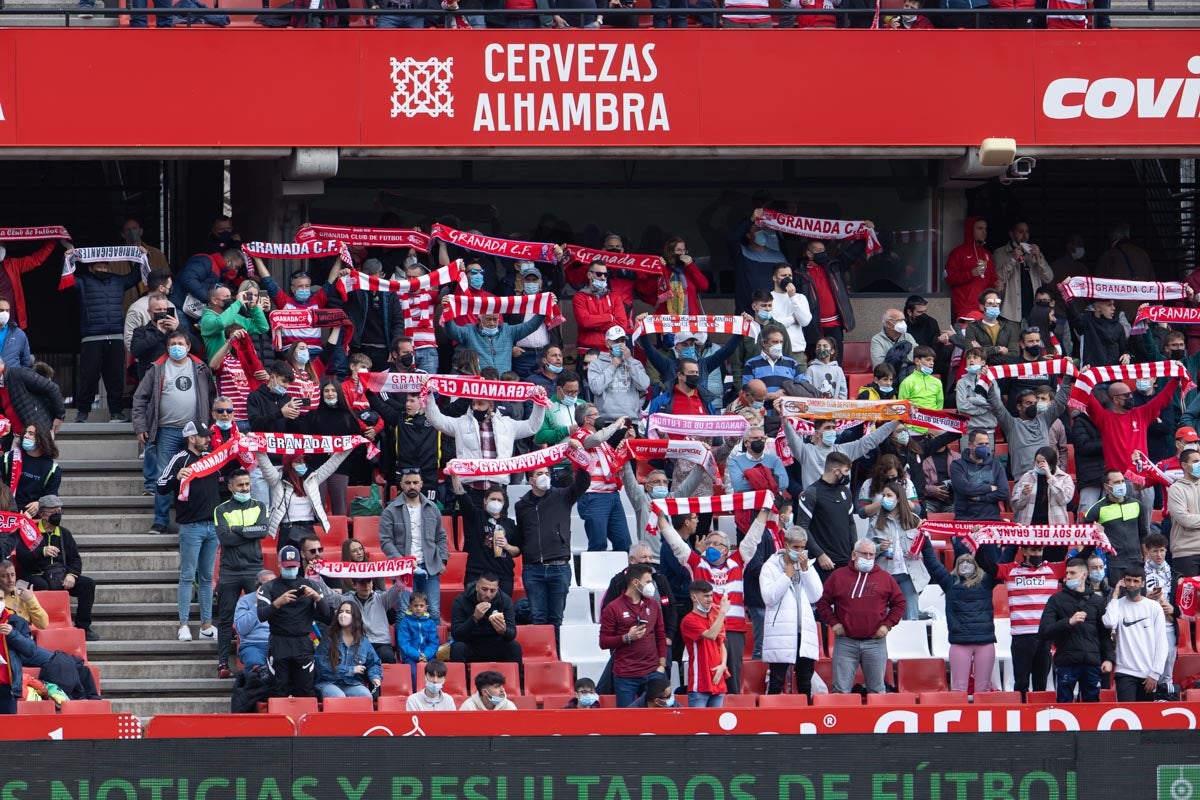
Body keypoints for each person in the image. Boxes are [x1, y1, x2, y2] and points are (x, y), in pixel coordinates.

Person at [656, 506, 770, 695]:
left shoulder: (738, 561)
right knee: (707, 676)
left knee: (732, 677)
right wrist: (660, 516)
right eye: (709, 543)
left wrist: (764, 510)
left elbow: (753, 536)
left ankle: (733, 716)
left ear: (726, 549)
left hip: (733, 628)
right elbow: (675, 542)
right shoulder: (696, 563)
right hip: (706, 629)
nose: (711, 547)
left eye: (717, 544)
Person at [135, 330, 215, 535]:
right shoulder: (157, 368)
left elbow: (212, 396)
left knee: (197, 474)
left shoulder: (201, 368)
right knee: (164, 475)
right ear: (167, 347)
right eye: (172, 344)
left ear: (188, 347)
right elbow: (140, 398)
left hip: (196, 432)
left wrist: (210, 426)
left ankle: (192, 520)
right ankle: (160, 521)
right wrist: (141, 426)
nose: (176, 347)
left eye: (180, 343)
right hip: (167, 430)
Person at [424, 386, 547, 503]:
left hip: (499, 489)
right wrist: (428, 395)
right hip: (470, 490)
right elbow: (437, 420)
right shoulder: (461, 424)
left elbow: (532, 426)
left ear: (491, 406)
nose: (476, 407)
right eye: (473, 404)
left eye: (480, 403)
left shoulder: (508, 425)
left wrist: (539, 403)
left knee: (499, 526)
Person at [158, 421, 222, 642]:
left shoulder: (212, 456)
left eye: (208, 436)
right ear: (191, 438)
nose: (208, 439)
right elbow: (160, 484)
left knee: (206, 578)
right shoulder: (179, 458)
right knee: (187, 576)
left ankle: (206, 625)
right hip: (191, 527)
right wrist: (176, 478)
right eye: (203, 436)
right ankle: (183, 624)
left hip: (212, 526)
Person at [817, 538, 905, 694]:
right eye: (864, 554)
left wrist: (887, 625)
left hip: (875, 642)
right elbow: (822, 602)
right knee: (840, 691)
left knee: (877, 690)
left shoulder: (885, 578)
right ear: (854, 555)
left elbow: (900, 603)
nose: (869, 558)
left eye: (871, 554)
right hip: (846, 642)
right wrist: (833, 623)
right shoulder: (838, 576)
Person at [513, 457, 590, 632]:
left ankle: (555, 655)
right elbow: (522, 534)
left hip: (559, 567)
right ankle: (543, 657)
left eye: (547, 473)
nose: (545, 476)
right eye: (540, 473)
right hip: (533, 569)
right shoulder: (521, 506)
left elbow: (583, 482)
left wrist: (577, 456)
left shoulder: (562, 495)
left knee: (556, 620)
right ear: (531, 480)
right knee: (538, 619)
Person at [65, 253, 144, 423]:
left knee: (115, 377)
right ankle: (82, 413)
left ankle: (116, 413)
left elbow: (135, 277)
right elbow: (67, 279)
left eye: (105, 266)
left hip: (115, 336)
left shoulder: (117, 281)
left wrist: (141, 257)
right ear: (90, 268)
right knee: (89, 377)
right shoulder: (83, 282)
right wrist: (68, 260)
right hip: (91, 337)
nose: (103, 269)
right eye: (99, 266)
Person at [921, 538, 997, 693]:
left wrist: (981, 542)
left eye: (969, 562)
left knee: (983, 690)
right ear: (956, 566)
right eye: (962, 562)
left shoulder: (987, 582)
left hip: (985, 643)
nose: (966, 565)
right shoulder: (949, 582)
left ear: (976, 566)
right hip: (960, 643)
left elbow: (1000, 564)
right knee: (958, 690)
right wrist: (924, 541)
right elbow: (932, 564)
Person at [14, 498, 97, 640]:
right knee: (42, 585)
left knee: (88, 585)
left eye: (59, 511)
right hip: (34, 575)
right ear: (42, 514)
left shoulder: (64, 534)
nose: (58, 514)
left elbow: (75, 559)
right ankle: (36, 625)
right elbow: (21, 556)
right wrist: (41, 552)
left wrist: (71, 575)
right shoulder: (30, 531)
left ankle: (83, 627)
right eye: (54, 511)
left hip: (59, 575)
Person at [256, 544, 333, 698]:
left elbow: (328, 615)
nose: (290, 569)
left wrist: (317, 598)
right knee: (278, 688)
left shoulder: (311, 585)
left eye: (293, 566)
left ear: (299, 565)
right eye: (287, 566)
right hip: (279, 642)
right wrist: (278, 602)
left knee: (305, 688)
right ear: (279, 565)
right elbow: (261, 615)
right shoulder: (269, 587)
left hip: (303, 642)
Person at [214, 468, 268, 679]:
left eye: (247, 484)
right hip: (230, 571)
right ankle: (222, 664)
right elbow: (225, 540)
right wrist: (249, 533)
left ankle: (260, 660)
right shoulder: (221, 509)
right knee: (226, 618)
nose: (245, 488)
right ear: (230, 487)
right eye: (240, 485)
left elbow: (263, 531)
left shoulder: (260, 505)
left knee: (262, 613)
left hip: (255, 569)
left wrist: (236, 529)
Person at [1038, 557, 1115, 703]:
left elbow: (1104, 634)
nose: (1067, 577)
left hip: (1092, 662)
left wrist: (1108, 659)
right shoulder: (1056, 600)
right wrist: (1068, 622)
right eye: (1067, 573)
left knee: (1092, 706)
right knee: (1064, 705)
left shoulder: (1097, 601)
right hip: (1066, 662)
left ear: (1084, 575)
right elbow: (1044, 632)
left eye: (1072, 573)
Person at [759, 526, 823, 696]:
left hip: (804, 632)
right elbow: (769, 597)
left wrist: (806, 571)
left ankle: (806, 717)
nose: (800, 551)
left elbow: (815, 595)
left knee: (805, 681)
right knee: (776, 681)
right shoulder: (770, 567)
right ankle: (772, 718)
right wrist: (786, 576)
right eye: (796, 547)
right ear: (786, 545)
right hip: (781, 631)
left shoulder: (807, 565)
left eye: (803, 547)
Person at [380, 469, 449, 618]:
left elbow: (441, 536)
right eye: (408, 483)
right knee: (404, 613)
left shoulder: (432, 508)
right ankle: (402, 643)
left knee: (434, 612)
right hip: (403, 569)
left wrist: (443, 560)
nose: (412, 486)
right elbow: (385, 541)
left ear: (421, 484)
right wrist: (402, 561)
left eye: (415, 483)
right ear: (401, 485)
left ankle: (432, 642)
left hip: (429, 567)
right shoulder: (390, 511)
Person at [599, 563, 668, 707]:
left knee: (657, 719)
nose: (652, 585)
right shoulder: (613, 608)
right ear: (635, 582)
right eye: (648, 582)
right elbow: (604, 642)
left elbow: (661, 635)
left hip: (652, 672)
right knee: (627, 722)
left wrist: (662, 665)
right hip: (626, 675)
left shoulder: (653, 605)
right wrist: (627, 637)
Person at [256, 448, 351, 548]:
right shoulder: (277, 480)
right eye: (298, 462)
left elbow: (332, 463)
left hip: (309, 529)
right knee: (290, 562)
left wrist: (350, 446)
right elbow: (264, 463)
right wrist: (255, 446)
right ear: (289, 464)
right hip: (287, 530)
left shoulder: (313, 479)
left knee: (312, 562)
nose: (302, 464)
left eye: (303, 461)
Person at [1102, 564, 1168, 702]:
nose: (1131, 584)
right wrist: (1114, 596)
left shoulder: (1154, 607)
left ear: (1143, 583)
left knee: (1146, 720)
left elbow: (1162, 642)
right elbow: (1109, 622)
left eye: (1136, 581)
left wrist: (1155, 673)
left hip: (1148, 673)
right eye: (1128, 580)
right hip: (1124, 671)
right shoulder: (1117, 604)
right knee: (1127, 717)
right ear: (1123, 581)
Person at [572, 406, 633, 553]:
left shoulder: (604, 443)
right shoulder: (579, 435)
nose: (600, 417)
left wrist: (626, 442)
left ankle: (622, 575)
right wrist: (616, 425)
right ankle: (596, 575)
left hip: (613, 495)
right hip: (594, 496)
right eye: (596, 414)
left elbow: (614, 463)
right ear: (586, 419)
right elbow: (594, 440)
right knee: (598, 544)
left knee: (624, 544)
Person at [451, 476, 518, 598]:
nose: (496, 502)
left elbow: (516, 551)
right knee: (473, 611)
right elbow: (461, 495)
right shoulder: (476, 516)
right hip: (477, 573)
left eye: (499, 500)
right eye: (493, 499)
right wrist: (454, 476)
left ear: (504, 503)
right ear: (485, 501)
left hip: (503, 575)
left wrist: (507, 546)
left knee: (500, 614)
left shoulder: (510, 524)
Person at [796, 452, 857, 582]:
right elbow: (802, 527)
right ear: (836, 471)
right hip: (824, 562)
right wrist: (820, 554)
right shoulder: (812, 493)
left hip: (846, 560)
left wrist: (855, 549)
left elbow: (851, 523)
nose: (848, 475)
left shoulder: (845, 491)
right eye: (846, 471)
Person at [870, 483, 927, 621]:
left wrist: (924, 532)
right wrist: (879, 548)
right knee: (884, 617)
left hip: (909, 575)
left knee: (911, 617)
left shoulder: (914, 520)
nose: (885, 499)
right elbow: (867, 548)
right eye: (883, 495)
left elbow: (926, 546)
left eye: (889, 495)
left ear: (899, 498)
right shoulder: (876, 522)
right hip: (885, 575)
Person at [1082, 470, 1145, 585]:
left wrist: (1145, 559)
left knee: (1138, 600)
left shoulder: (1136, 504)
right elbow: (1083, 536)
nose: (1121, 484)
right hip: (1114, 564)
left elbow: (1144, 533)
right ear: (1106, 486)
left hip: (1136, 562)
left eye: (1122, 481)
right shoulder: (1097, 508)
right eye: (1116, 482)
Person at [442, 308, 547, 375]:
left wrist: (545, 309)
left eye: (495, 319)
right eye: (488, 319)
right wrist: (447, 311)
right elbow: (452, 331)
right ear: (479, 320)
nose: (492, 323)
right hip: (479, 384)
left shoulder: (508, 331)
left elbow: (530, 326)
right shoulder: (469, 332)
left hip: (502, 385)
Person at [1011, 447, 1076, 554]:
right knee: (1033, 563)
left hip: (1055, 531)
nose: (1039, 465)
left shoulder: (1064, 478)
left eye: (1043, 462)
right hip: (1032, 528)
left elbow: (1064, 499)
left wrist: (1050, 477)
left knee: (1054, 564)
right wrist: (1024, 494)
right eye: (1037, 462)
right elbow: (1016, 505)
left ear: (1051, 462)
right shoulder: (1027, 477)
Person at [678, 579, 730, 706]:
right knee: (698, 725)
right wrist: (722, 613)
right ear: (694, 597)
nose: (710, 599)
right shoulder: (689, 620)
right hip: (700, 682)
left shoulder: (714, 616)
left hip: (718, 679)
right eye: (706, 596)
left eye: (711, 595)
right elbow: (711, 635)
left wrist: (723, 665)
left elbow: (721, 644)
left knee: (716, 724)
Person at [315, 600, 382, 699]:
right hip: (328, 683)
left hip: (352, 683)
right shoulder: (328, 639)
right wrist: (351, 670)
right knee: (338, 696)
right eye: (341, 612)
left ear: (355, 617)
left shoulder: (363, 642)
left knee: (366, 696)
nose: (343, 615)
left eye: (347, 612)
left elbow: (374, 663)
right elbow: (322, 667)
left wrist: (375, 676)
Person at [449, 574, 522, 664]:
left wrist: (503, 631)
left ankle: (517, 677)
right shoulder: (461, 601)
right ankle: (459, 678)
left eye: (492, 591)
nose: (488, 594)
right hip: (471, 644)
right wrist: (474, 618)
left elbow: (512, 634)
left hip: (495, 643)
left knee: (514, 647)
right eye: (484, 589)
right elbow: (456, 635)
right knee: (457, 648)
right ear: (477, 587)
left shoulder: (505, 601)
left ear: (497, 589)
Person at [588, 328, 651, 425]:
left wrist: (629, 360)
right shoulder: (596, 364)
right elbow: (596, 388)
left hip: (630, 420)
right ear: (608, 344)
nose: (621, 344)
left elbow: (644, 385)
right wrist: (612, 366)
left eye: (623, 341)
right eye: (616, 341)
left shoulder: (634, 363)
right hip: (606, 421)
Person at [1095, 223, 1154, 321]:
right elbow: (1152, 284)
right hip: (1141, 311)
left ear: (1113, 237)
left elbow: (1097, 287)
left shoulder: (1108, 256)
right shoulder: (1143, 255)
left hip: (1116, 312)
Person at [994, 222, 1052, 323]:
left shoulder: (1034, 253)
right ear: (1011, 234)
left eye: (1027, 232)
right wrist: (1013, 260)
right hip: (1010, 313)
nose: (1025, 236)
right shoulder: (1000, 253)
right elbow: (998, 279)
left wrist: (1039, 257)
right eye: (1021, 232)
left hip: (1033, 311)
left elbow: (1049, 278)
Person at [198, 283, 270, 361]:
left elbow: (262, 327)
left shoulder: (234, 316)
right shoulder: (207, 319)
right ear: (214, 300)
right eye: (226, 297)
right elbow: (221, 323)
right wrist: (238, 303)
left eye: (230, 296)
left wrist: (254, 308)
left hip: (239, 369)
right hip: (219, 369)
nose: (230, 300)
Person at [343, 576, 407, 665]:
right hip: (359, 643)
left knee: (387, 656)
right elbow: (330, 597)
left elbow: (398, 588)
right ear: (354, 585)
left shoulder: (381, 598)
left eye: (369, 582)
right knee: (355, 659)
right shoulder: (347, 600)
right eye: (362, 583)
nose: (366, 586)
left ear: (372, 583)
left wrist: (406, 571)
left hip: (381, 643)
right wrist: (316, 577)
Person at [572, 260, 631, 355]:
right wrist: (609, 317)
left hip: (611, 351)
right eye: (599, 274)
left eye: (606, 274)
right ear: (589, 275)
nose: (603, 278)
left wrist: (594, 325)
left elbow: (621, 325)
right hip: (587, 352)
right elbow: (585, 322)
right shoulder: (579, 297)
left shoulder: (614, 297)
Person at [1, 423, 61, 515]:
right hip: (6, 510)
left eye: (31, 433)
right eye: (25, 433)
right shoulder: (10, 457)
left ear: (41, 438)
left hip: (31, 515)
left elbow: (51, 495)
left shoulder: (52, 469)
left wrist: (39, 504)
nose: (25, 436)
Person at [945, 216, 995, 323]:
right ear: (970, 230)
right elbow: (949, 278)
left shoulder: (987, 254)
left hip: (984, 309)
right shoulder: (958, 252)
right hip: (964, 310)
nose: (984, 232)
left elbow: (991, 280)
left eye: (985, 229)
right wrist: (970, 273)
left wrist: (996, 284)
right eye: (980, 228)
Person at [1065, 298, 1128, 368]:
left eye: (1113, 304)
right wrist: (1069, 299)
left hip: (1113, 374)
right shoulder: (1086, 321)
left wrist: (1126, 355)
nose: (1113, 308)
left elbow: (1124, 349)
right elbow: (1074, 315)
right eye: (1109, 305)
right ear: (1098, 307)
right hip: (1092, 373)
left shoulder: (1118, 326)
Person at [1167, 449, 1200, 578]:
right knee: (1188, 598)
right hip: (1185, 553)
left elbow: (1189, 519)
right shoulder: (1176, 489)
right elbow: (1184, 519)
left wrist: (1192, 517)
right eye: (1196, 461)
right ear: (1184, 465)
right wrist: (1189, 518)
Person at [233, 570, 274, 671]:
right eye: (267, 584)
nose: (272, 587)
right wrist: (256, 605)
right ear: (259, 587)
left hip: (278, 643)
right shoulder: (245, 601)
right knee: (256, 665)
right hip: (253, 645)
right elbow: (241, 629)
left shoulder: (282, 600)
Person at [124, 271, 175, 353]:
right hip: (148, 357)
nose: (171, 289)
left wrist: (177, 328)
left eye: (164, 309)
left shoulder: (170, 305)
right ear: (161, 288)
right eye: (169, 287)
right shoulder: (137, 308)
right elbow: (130, 340)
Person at [396, 590, 440, 676]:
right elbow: (404, 643)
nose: (418, 608)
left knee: (433, 673)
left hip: (428, 656)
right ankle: (414, 690)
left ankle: (430, 690)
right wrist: (417, 656)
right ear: (410, 607)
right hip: (410, 657)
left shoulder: (431, 623)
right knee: (413, 673)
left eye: (421, 605)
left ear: (426, 607)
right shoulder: (405, 622)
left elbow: (433, 642)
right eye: (415, 605)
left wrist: (426, 655)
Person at [0, 559, 48, 630]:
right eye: (4, 576)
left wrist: (30, 601)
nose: (11, 580)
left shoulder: (24, 593)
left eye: (12, 575)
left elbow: (43, 624)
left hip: (24, 637)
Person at [0, 297, 31, 371]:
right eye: (1, 310)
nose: (5, 313)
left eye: (7, 311)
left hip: (11, 381)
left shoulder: (19, 334)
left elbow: (25, 363)